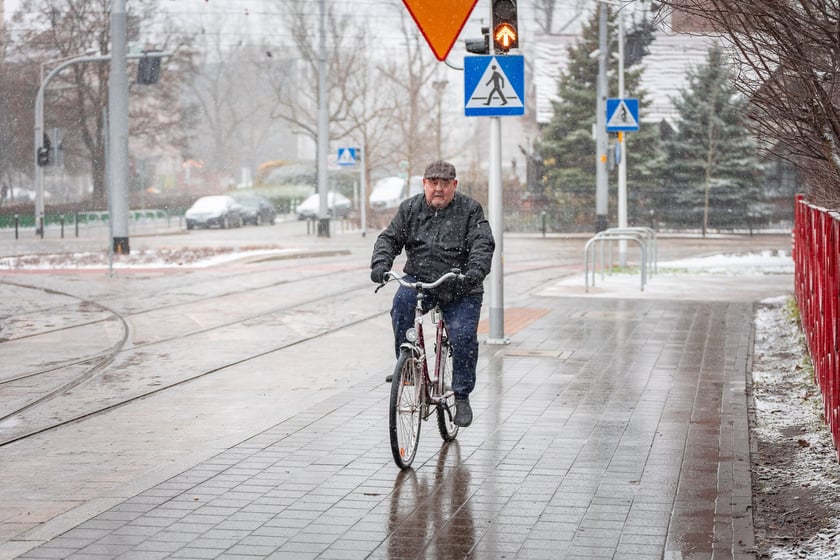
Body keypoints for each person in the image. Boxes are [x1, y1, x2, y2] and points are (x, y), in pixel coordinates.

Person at [370, 160, 495, 427]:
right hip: (421, 279)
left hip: (460, 285)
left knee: (462, 336)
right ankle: (409, 369)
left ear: (454, 185)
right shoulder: (411, 208)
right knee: (401, 304)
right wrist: (381, 263)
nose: (439, 188)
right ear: (424, 184)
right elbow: (389, 238)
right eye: (433, 182)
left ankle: (461, 395)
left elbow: (482, 243)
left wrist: (474, 271)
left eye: (445, 183)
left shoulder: (470, 209)